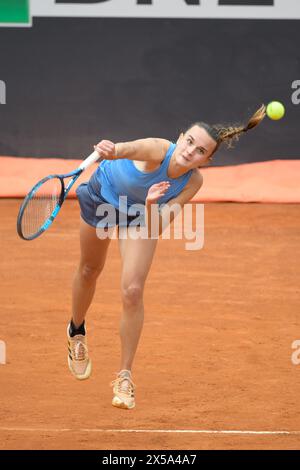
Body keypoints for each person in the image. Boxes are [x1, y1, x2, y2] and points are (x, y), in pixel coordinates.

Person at [67, 105, 266, 410]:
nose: (190, 152)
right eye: (189, 142)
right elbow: (129, 148)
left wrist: (149, 203)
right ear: (180, 137)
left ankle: (124, 376)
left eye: (200, 151)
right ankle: (76, 331)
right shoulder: (159, 149)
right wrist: (113, 149)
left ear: (207, 160)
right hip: (103, 198)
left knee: (132, 291)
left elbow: (156, 226)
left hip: (142, 215)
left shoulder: (193, 182)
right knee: (89, 270)